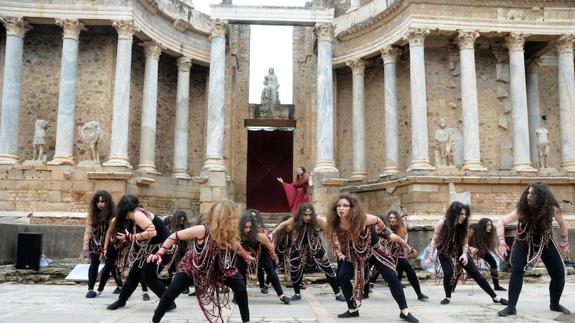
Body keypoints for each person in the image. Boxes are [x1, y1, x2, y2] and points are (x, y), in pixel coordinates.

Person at [148, 200, 255, 323]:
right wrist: (159, 253)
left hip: (217, 267)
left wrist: (245, 255)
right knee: (171, 291)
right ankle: (155, 320)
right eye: (232, 218)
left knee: (240, 286)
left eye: (236, 218)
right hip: (193, 267)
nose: (236, 221)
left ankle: (246, 321)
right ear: (222, 218)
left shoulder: (227, 232)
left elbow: (236, 245)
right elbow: (174, 236)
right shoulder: (202, 230)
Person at [325, 193, 419, 322]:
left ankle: (404, 311)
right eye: (338, 206)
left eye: (345, 206)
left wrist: (403, 244)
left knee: (391, 276)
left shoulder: (364, 219)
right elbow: (332, 239)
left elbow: (380, 222)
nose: (341, 208)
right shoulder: (335, 224)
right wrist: (340, 253)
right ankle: (352, 309)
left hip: (374, 250)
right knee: (342, 276)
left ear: (352, 208)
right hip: (353, 253)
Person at [496, 183, 570, 316]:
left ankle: (555, 304)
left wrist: (565, 242)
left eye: (533, 194)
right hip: (523, 241)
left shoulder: (552, 209)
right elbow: (500, 222)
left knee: (559, 273)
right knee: (517, 270)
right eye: (528, 193)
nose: (529, 196)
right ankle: (511, 306)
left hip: (544, 241)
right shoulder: (522, 209)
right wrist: (501, 242)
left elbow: (562, 222)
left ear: (541, 196)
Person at [426, 201, 507, 306]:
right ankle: (448, 296)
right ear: (454, 213)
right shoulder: (442, 223)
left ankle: (495, 297)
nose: (463, 217)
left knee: (476, 274)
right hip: (444, 252)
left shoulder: (464, 225)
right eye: (461, 214)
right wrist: (430, 255)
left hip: (459, 250)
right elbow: (434, 239)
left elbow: (465, 242)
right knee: (448, 273)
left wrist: (464, 254)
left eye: (465, 214)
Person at [106, 195, 171, 310]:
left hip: (163, 248)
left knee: (148, 276)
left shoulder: (137, 214)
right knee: (134, 275)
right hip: (150, 249)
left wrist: (131, 237)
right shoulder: (135, 215)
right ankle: (121, 301)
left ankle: (168, 302)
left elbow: (152, 232)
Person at [272, 203, 345, 302]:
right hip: (298, 246)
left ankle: (337, 293)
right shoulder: (295, 219)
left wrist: (337, 246)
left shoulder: (317, 219)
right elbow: (283, 224)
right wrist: (272, 233)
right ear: (300, 214)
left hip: (315, 246)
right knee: (294, 269)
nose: (308, 217)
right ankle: (297, 293)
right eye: (305, 215)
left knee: (327, 268)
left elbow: (331, 230)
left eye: (310, 214)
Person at [237, 212, 291, 304]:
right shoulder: (237, 234)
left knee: (271, 271)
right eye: (246, 227)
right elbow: (235, 247)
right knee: (240, 272)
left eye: (250, 227)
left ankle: (281, 295)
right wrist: (245, 254)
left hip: (261, 251)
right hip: (242, 251)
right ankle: (239, 295)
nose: (248, 230)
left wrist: (274, 257)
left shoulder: (259, 235)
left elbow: (270, 246)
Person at [387, 210, 429, 301]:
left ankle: (419, 294)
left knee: (410, 272)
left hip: (400, 255)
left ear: (398, 219)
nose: (392, 219)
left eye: (394, 217)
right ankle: (366, 290)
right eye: (390, 218)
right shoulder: (386, 228)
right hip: (388, 255)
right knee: (396, 275)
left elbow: (404, 237)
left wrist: (408, 248)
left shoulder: (401, 227)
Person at [81, 190, 115, 298]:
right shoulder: (93, 213)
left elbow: (111, 231)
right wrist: (85, 245)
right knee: (94, 264)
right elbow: (88, 228)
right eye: (98, 202)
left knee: (110, 265)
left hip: (109, 242)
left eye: (103, 201)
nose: (100, 204)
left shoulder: (111, 213)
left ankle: (102, 288)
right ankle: (90, 289)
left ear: (107, 202)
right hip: (95, 242)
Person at [468, 218, 506, 291]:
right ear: (483, 225)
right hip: (468, 248)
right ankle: (452, 287)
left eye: (490, 225)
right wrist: (470, 248)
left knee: (493, 263)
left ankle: (496, 286)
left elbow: (492, 246)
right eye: (487, 225)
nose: (490, 227)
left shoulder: (490, 233)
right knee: (461, 265)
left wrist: (498, 254)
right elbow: (465, 240)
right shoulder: (473, 228)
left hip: (481, 249)